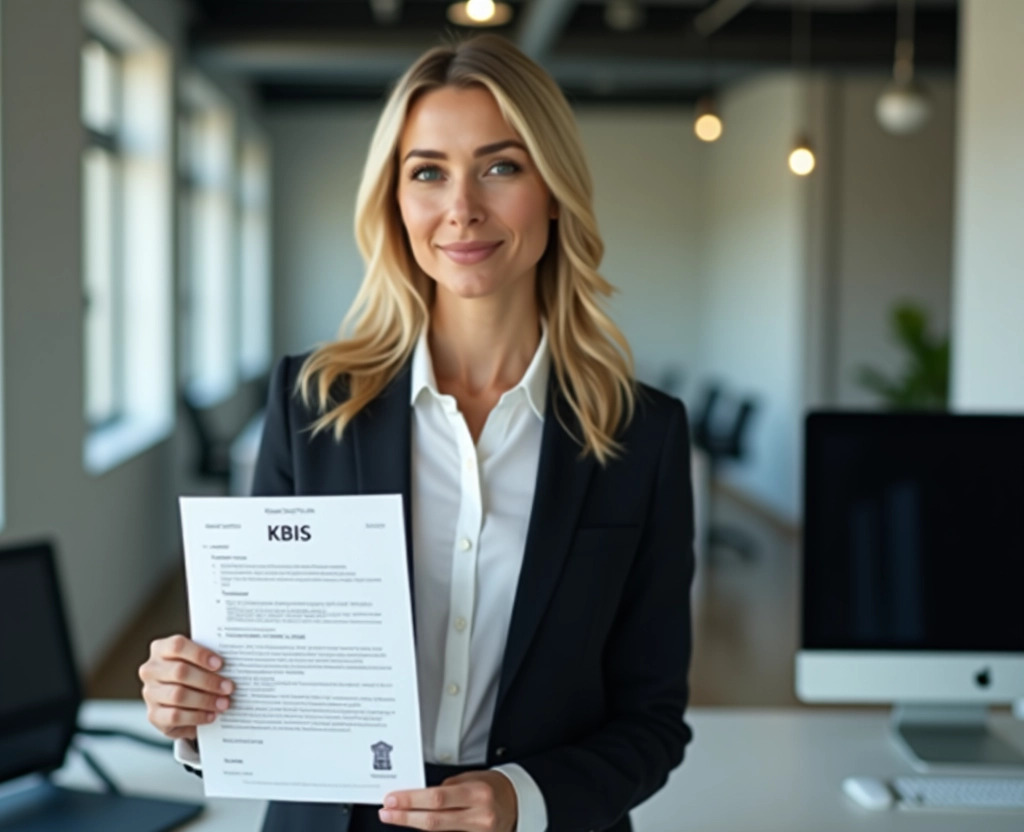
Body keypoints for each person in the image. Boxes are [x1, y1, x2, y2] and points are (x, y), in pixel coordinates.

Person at [138, 35, 694, 832]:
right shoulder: (312, 404)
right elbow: (261, 675)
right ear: (394, 200)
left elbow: (652, 718)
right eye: (428, 171)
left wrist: (522, 798)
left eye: (502, 166)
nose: (461, 208)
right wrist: (194, 711)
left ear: (554, 188)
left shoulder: (645, 435)